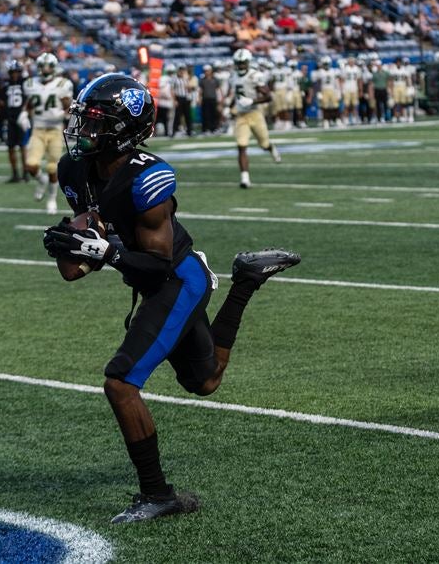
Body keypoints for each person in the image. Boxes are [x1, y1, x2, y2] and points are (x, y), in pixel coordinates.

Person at [42, 72, 301, 523]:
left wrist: (107, 253)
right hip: (151, 279)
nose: (83, 129)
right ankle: (245, 281)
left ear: (124, 130)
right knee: (204, 382)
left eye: (96, 121)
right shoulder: (75, 169)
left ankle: (158, 494)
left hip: (178, 278)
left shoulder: (149, 177)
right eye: (83, 119)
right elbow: (75, 266)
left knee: (120, 383)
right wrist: (75, 245)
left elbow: (159, 264)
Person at [24, 52, 74, 213]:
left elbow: (69, 105)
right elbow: (30, 104)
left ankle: (51, 199)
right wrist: (23, 114)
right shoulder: (30, 84)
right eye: (42, 66)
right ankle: (41, 180)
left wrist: (63, 114)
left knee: (53, 167)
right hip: (38, 129)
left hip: (54, 130)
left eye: (48, 66)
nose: (45, 69)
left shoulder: (62, 84)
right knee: (31, 165)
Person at [229, 49, 281, 189]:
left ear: (248, 62)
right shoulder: (233, 76)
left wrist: (252, 101)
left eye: (243, 63)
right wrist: (230, 107)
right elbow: (236, 95)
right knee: (241, 146)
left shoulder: (255, 76)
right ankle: (245, 178)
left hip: (255, 114)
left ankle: (271, 148)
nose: (240, 66)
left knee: (264, 144)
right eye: (238, 63)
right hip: (241, 116)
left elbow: (268, 96)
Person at [0, 63, 29, 182]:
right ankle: (15, 173)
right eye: (13, 72)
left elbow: (30, 98)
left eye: (17, 72)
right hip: (10, 118)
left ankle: (25, 172)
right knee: (11, 147)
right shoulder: (5, 85)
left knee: (23, 146)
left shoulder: (25, 84)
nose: (15, 74)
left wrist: (26, 112)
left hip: (21, 117)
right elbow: (0, 101)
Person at [313, 56, 342, 128]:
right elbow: (318, 83)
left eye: (327, 64)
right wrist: (319, 92)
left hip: (332, 89)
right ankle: (326, 121)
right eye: (325, 64)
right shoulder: (320, 72)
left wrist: (338, 90)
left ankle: (337, 120)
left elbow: (336, 82)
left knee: (335, 106)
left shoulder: (334, 71)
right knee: (325, 107)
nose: (326, 65)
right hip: (324, 89)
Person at [198, 65, 220, 136]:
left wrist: (220, 99)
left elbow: (218, 90)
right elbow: (200, 90)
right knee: (206, 115)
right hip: (205, 99)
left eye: (208, 71)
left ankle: (214, 129)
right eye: (205, 71)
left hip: (213, 98)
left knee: (214, 114)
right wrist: (199, 98)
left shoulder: (215, 79)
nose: (206, 72)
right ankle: (206, 129)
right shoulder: (202, 80)